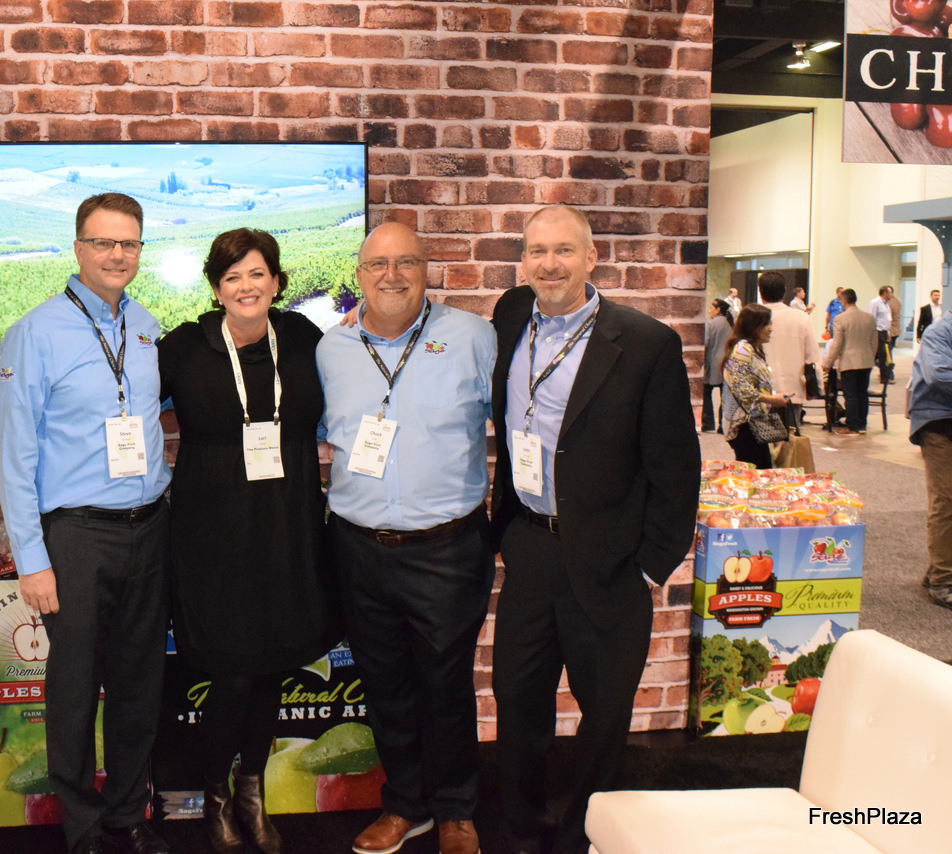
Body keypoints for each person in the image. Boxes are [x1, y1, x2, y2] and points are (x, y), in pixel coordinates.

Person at [489, 205, 699, 854]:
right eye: (537, 251)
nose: (549, 264)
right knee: (517, 702)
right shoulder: (509, 315)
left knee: (604, 714)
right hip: (529, 545)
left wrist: (649, 566)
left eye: (563, 250)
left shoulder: (645, 343)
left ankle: (585, 832)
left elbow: (676, 468)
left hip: (610, 560)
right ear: (523, 261)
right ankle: (520, 830)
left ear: (591, 257)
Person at [0, 193, 172, 854]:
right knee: (73, 687)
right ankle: (84, 827)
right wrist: (32, 558)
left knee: (138, 683)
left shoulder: (146, 326)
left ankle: (127, 814)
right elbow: (12, 453)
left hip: (149, 527)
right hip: (76, 535)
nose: (117, 255)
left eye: (129, 243)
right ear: (78, 248)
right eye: (103, 242)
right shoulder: (34, 332)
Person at [318, 221, 496, 854]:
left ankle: (456, 810)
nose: (391, 276)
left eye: (406, 263)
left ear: (427, 271)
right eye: (377, 265)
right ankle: (405, 805)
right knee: (383, 684)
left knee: (446, 685)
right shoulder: (331, 349)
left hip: (447, 549)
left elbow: (516, 419)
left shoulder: (473, 337)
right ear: (359, 276)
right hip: (358, 547)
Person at [158, 229, 334, 854]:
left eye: (257, 273)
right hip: (213, 537)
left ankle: (251, 791)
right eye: (232, 276)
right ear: (216, 288)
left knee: (270, 668)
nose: (246, 286)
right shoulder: (185, 347)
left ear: (277, 282)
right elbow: (122, 403)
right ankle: (215, 795)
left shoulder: (304, 338)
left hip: (288, 529)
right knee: (233, 672)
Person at [909, 310, 952, 610]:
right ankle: (942, 581)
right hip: (937, 423)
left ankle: (937, 567)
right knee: (946, 499)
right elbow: (939, 375)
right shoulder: (939, 332)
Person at [722, 304, 793, 469]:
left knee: (756, 471)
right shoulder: (743, 349)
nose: (770, 329)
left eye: (770, 323)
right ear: (752, 326)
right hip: (745, 425)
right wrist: (771, 399)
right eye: (766, 324)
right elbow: (741, 387)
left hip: (751, 424)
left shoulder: (752, 349)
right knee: (756, 473)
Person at [757, 271, 819, 430]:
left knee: (760, 440)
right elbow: (812, 356)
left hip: (759, 392)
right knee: (789, 439)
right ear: (784, 292)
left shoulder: (752, 317)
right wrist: (816, 386)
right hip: (793, 389)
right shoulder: (801, 317)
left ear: (760, 292)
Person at [822, 288, 879, 436]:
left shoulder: (840, 319)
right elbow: (874, 341)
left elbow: (837, 344)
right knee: (862, 394)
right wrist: (870, 357)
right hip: (866, 361)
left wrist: (827, 363)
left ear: (844, 301)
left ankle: (852, 426)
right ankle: (862, 424)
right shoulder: (869, 317)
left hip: (849, 362)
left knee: (851, 395)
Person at [701, 298, 733, 433]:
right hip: (728, 363)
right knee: (725, 394)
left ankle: (707, 423)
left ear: (718, 309)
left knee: (706, 392)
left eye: (711, 308)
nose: (709, 311)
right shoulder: (731, 323)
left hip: (712, 361)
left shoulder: (710, 323)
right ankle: (723, 425)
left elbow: (706, 342)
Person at [868, 286, 894, 384]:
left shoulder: (886, 304)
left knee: (883, 356)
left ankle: (884, 377)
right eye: (890, 293)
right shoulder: (875, 303)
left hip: (884, 332)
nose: (891, 295)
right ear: (884, 293)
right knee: (878, 355)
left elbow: (887, 319)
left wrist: (888, 332)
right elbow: (871, 318)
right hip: (877, 332)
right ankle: (882, 377)